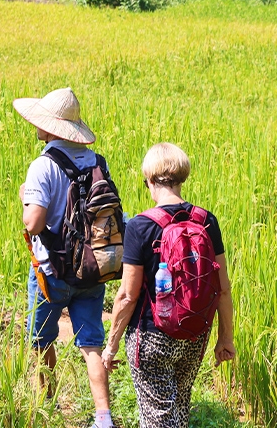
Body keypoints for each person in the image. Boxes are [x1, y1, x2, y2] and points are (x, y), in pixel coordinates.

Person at [102, 143, 235, 428]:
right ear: (181, 178)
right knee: (179, 411)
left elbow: (126, 295)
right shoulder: (206, 221)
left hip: (152, 338)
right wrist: (226, 338)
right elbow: (223, 287)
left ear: (149, 180)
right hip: (194, 332)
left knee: (158, 419)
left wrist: (110, 347)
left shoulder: (140, 226)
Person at [14, 87, 115, 428]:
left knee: (41, 341)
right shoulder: (98, 161)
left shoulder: (43, 165)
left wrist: (26, 198)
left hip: (51, 271)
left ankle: (49, 406)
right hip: (91, 268)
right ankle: (104, 416)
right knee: (91, 345)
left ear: (50, 128)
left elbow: (34, 223)